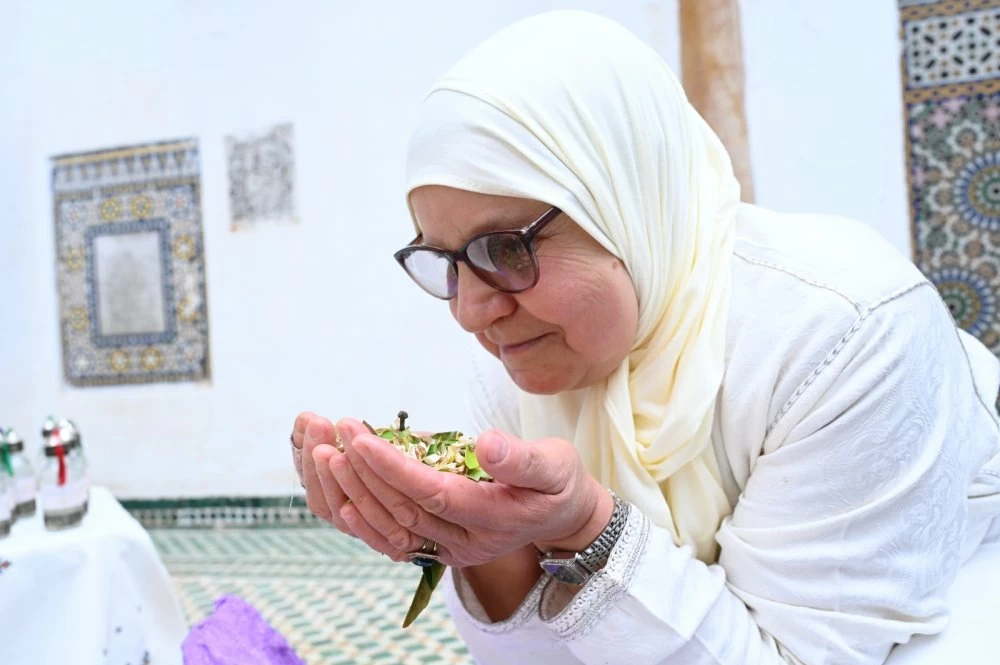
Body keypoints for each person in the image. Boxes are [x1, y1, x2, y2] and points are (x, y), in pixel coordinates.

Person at [289, 11, 1000, 664]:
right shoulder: (522, 363)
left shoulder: (844, 333)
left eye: (505, 248)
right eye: (444, 261)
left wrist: (588, 532)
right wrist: (470, 541)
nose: (471, 313)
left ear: (626, 202)